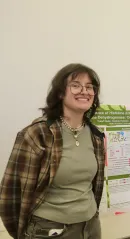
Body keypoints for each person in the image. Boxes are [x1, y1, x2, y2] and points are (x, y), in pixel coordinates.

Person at [0, 63, 106, 239]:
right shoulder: (38, 133)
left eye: (90, 87)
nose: (84, 91)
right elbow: (9, 193)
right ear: (59, 92)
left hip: (91, 227)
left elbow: (94, 186)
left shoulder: (96, 135)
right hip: (50, 230)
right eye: (75, 85)